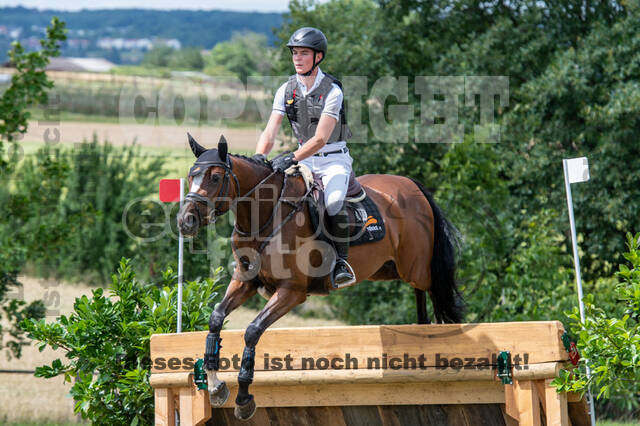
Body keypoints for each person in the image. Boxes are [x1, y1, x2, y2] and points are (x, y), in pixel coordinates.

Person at [254, 26, 355, 288]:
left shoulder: (332, 90)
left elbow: (321, 138)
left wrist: (291, 157)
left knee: (332, 203)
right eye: (294, 53)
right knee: (271, 195)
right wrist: (258, 157)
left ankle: (341, 263)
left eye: (303, 53)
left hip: (333, 160)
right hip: (304, 161)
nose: (297, 58)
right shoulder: (285, 90)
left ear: (318, 57)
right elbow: (270, 130)